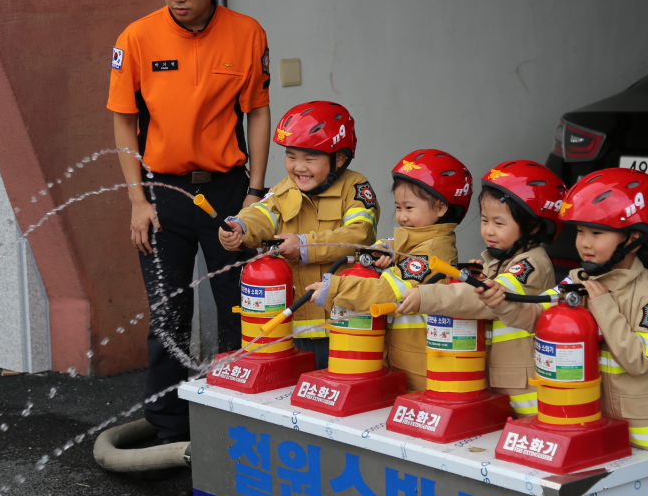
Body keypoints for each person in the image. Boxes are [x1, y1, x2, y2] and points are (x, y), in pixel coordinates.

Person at [107, 0, 272, 443]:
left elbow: (259, 112)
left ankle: (238, 420)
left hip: (226, 192)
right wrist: (137, 200)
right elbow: (123, 121)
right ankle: (167, 429)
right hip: (162, 196)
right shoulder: (136, 38)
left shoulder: (247, 33)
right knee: (168, 313)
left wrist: (255, 194)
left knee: (241, 310)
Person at [479, 167, 648, 496]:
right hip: (596, 414)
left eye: (598, 232)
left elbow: (637, 359)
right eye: (580, 231)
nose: (585, 243)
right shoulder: (577, 278)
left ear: (635, 238)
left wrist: (603, 304)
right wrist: (502, 304)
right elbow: (539, 316)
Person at [218, 101, 379, 368]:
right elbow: (261, 214)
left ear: (339, 158)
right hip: (295, 323)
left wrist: (305, 245)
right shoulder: (285, 189)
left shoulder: (356, 188)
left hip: (346, 323)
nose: (299, 167)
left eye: (310, 158)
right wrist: (241, 228)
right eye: (291, 156)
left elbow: (359, 235)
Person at [398, 161, 564, 418]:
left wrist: (426, 295)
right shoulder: (499, 260)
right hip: (498, 380)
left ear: (533, 227)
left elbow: (483, 299)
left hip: (524, 392)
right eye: (485, 220)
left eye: (499, 223)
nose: (487, 230)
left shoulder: (532, 264)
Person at [307, 149, 471, 390]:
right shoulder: (415, 244)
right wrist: (383, 250)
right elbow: (400, 249)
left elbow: (386, 291)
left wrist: (335, 288)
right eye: (398, 207)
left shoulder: (432, 252)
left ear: (441, 208)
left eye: (409, 208)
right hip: (403, 359)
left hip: (420, 369)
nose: (401, 217)